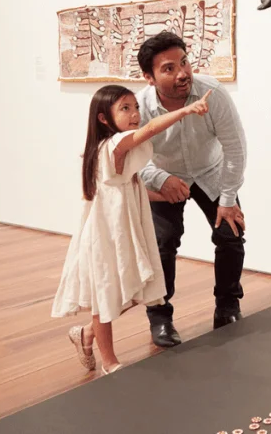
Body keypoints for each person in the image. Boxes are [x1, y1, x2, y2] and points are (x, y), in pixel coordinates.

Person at [51, 84, 213, 374]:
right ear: (104, 118)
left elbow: (128, 188)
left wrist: (163, 197)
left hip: (125, 231)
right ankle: (109, 362)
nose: (135, 114)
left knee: (134, 288)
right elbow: (149, 129)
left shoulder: (119, 151)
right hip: (106, 234)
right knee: (106, 294)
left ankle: (86, 333)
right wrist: (186, 110)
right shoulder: (113, 145)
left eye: (135, 107)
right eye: (125, 108)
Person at [135, 31, 248, 348]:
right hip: (164, 176)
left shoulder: (213, 93)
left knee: (230, 234)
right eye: (169, 68)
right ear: (149, 77)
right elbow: (130, 156)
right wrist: (160, 179)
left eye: (184, 62)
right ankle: (160, 317)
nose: (183, 73)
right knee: (163, 243)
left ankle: (227, 307)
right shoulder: (139, 107)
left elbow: (235, 149)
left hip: (211, 171)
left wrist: (228, 199)